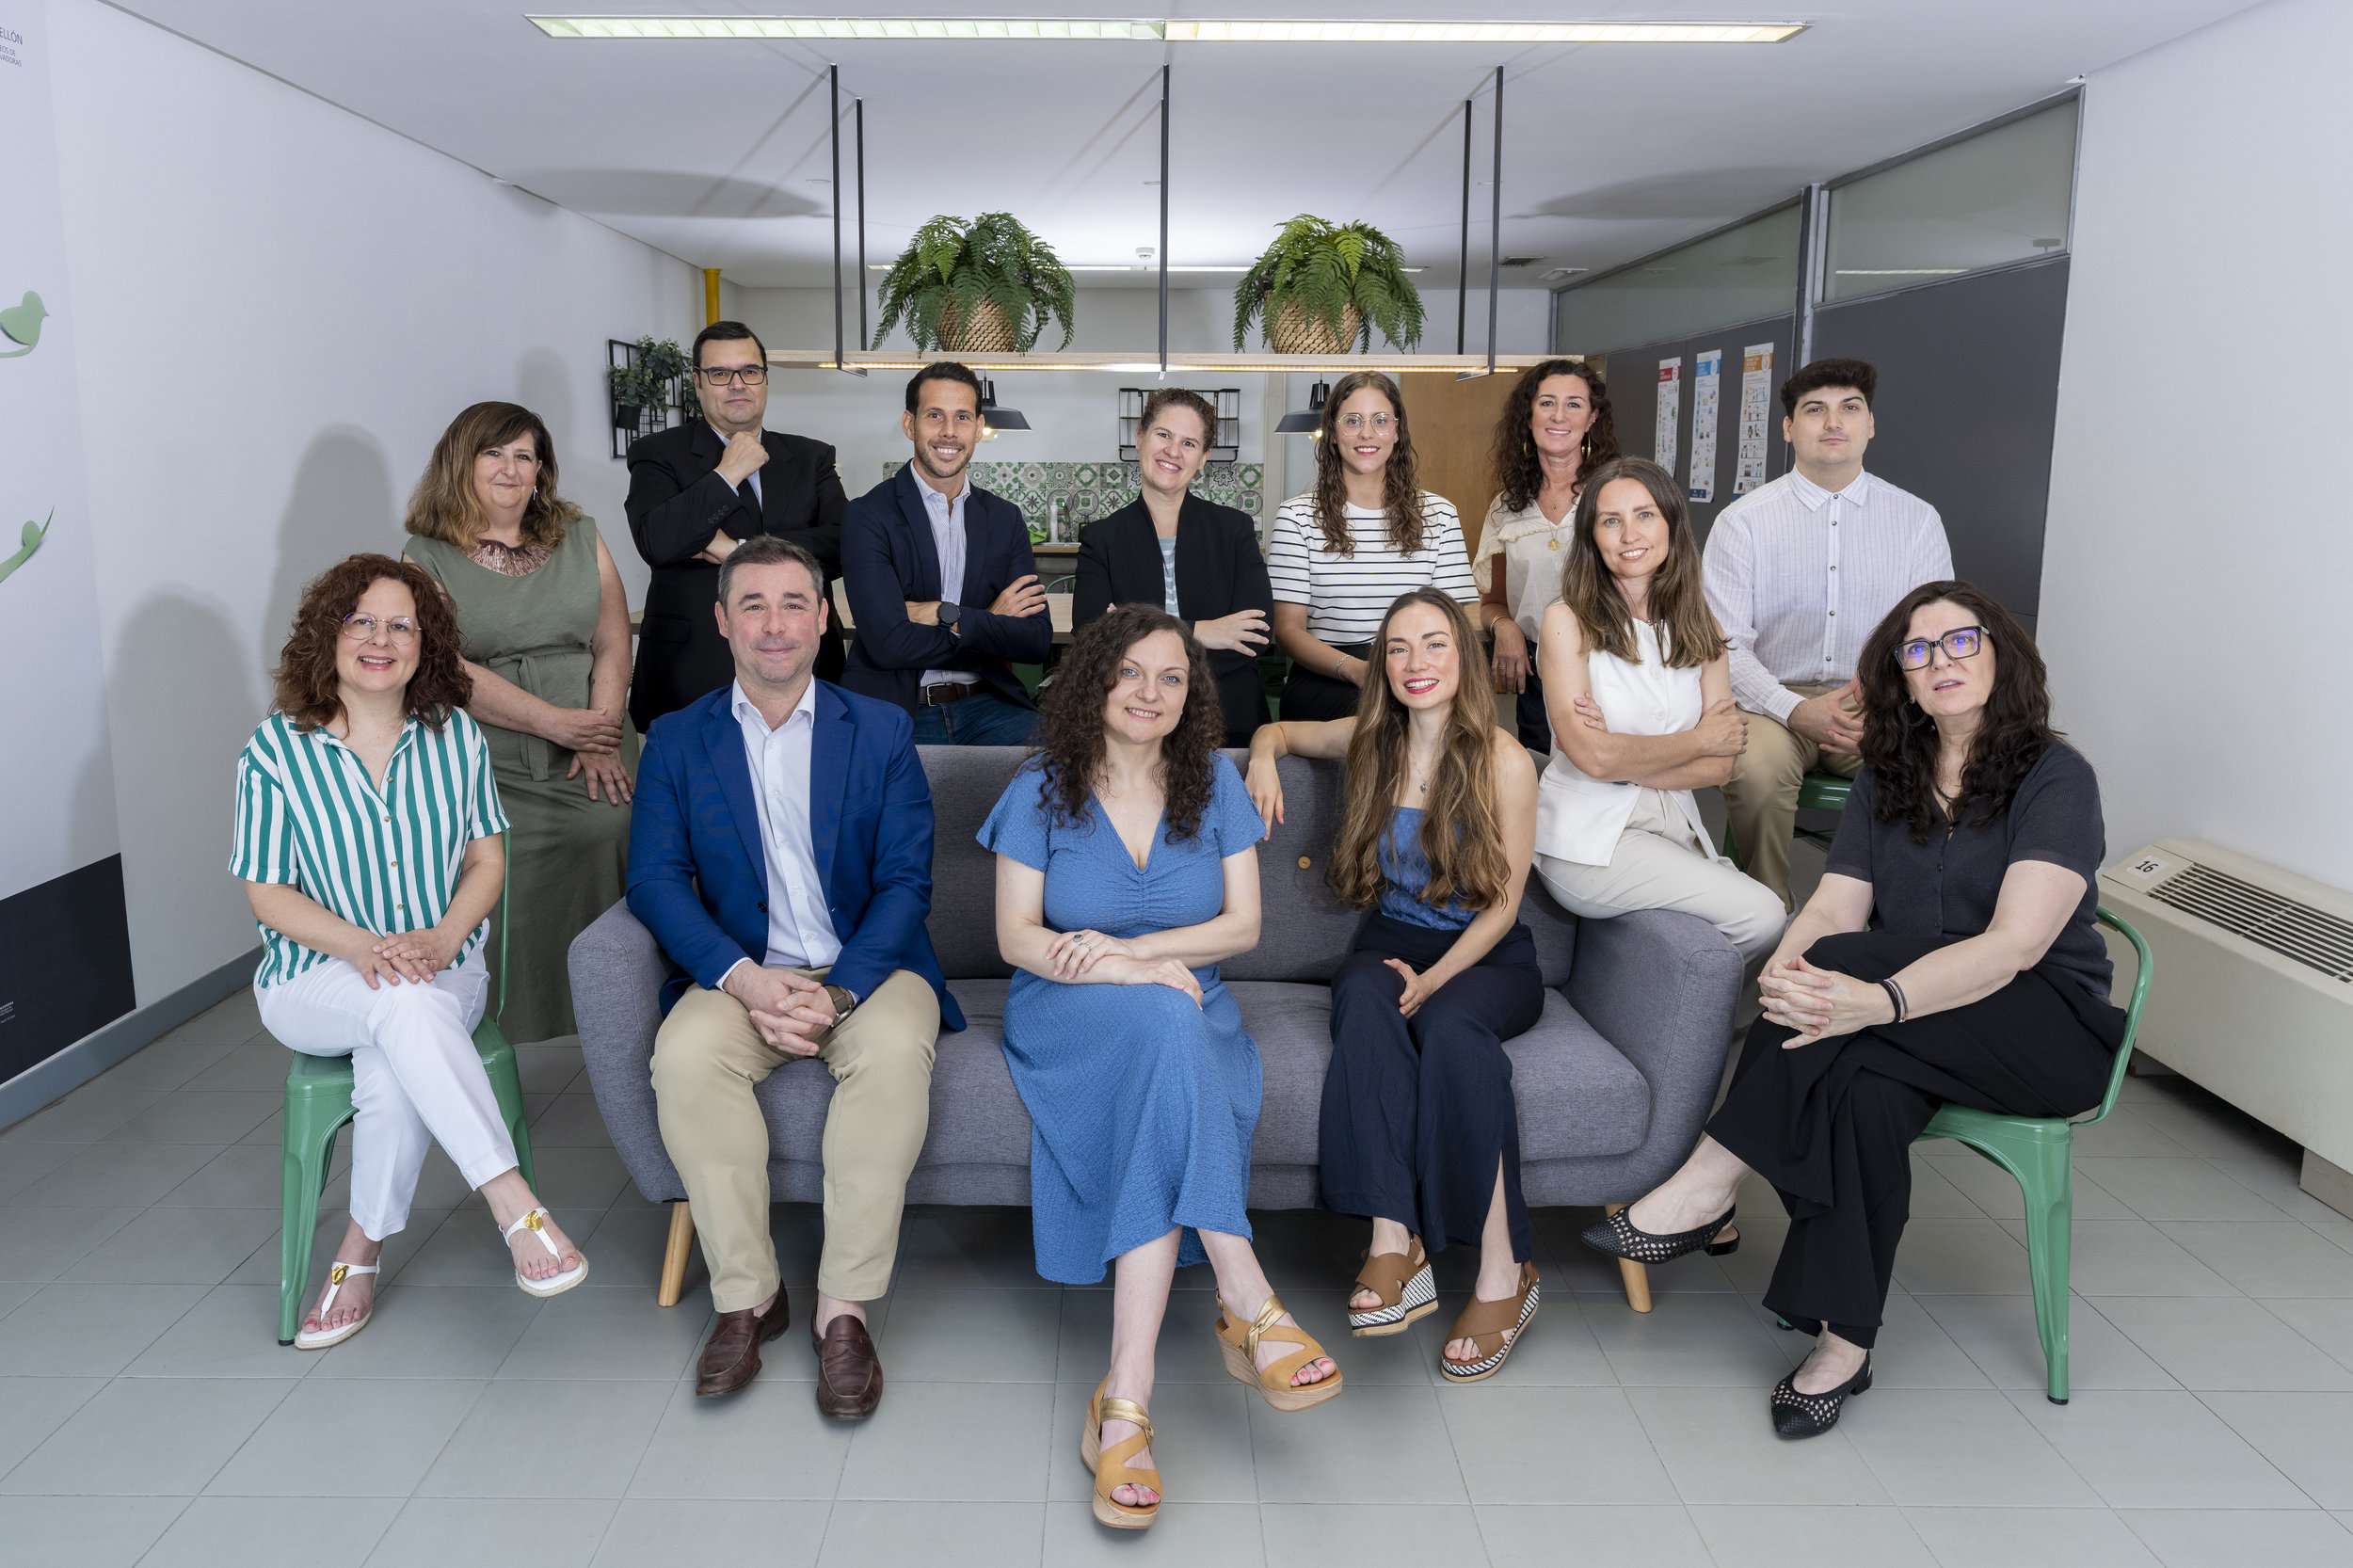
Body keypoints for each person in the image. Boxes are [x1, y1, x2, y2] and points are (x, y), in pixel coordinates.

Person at [1583, 582, 2125, 1437]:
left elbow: (2015, 947)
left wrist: (1875, 999)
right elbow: (1836, 907)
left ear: (2002, 655)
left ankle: (1710, 1179)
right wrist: (1784, 972)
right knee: (1860, 1087)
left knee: (1840, 978)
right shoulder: (1889, 776)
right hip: (1920, 1028)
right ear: (1898, 678)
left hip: (2043, 1027)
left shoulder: (2057, 778)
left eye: (1961, 641)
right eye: (1917, 650)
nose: (1940, 661)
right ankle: (1843, 1344)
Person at [983, 604, 1340, 1529]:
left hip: (1185, 1005)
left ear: (1192, 694)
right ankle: (1245, 1294)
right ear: (1096, 679)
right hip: (1068, 1005)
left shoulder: (1212, 783)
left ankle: (1124, 1398)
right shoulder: (1041, 785)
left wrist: (1143, 955)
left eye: (1172, 677)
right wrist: (1119, 968)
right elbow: (1016, 936)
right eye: (1132, 672)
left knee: (1169, 1026)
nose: (1150, 692)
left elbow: (1243, 927)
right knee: (1163, 1017)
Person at [629, 536, 956, 1414]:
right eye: (754, 605)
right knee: (684, 1056)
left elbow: (906, 882)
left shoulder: (880, 730)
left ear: (822, 619)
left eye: (793, 604)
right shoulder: (676, 739)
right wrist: (742, 979)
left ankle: (842, 1309)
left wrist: (839, 991)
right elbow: (654, 881)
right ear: (723, 621)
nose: (774, 625)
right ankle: (748, 1298)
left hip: (870, 971)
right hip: (743, 973)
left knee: (890, 1055)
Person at [234, 554, 588, 1352]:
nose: (380, 640)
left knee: (399, 1038)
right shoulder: (275, 751)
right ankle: (511, 1200)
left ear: (425, 645)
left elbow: (487, 860)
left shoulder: (454, 735)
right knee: (399, 1002)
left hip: (443, 964)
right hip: (314, 978)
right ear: (327, 634)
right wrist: (362, 947)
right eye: (360, 621)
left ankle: (359, 1252)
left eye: (401, 625)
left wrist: (446, 936)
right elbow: (268, 893)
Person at [1246, 588, 1545, 1382]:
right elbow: (1278, 729)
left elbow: (1505, 903)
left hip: (1487, 957)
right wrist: (1262, 758)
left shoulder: (1506, 761)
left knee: (1450, 1033)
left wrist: (1437, 979)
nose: (1417, 663)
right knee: (1361, 999)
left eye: (1436, 643)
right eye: (1400, 648)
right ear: (1382, 664)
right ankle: (1392, 1240)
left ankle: (1504, 1272)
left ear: (1464, 658)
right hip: (1391, 940)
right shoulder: (1368, 738)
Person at [402, 401, 636, 1044]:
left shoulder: (580, 534)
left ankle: (623, 1013)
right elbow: (446, 666)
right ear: (462, 463)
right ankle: (502, 1025)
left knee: (615, 831)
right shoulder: (426, 555)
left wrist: (599, 732)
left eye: (524, 456)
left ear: (541, 470)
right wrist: (557, 725)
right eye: (493, 453)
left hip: (596, 739)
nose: (510, 468)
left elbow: (613, 639)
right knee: (501, 875)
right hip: (496, 758)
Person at [1702, 357, 1953, 908]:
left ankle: (1889, 916)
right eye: (1815, 410)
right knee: (1755, 772)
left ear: (1871, 425)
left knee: (1927, 771)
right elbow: (1723, 645)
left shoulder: (1916, 521)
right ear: (1789, 428)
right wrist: (1794, 709)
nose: (1834, 422)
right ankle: (1766, 912)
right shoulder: (1742, 522)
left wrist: (1893, 713)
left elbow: (1933, 638)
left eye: (1850, 408)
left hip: (1879, 703)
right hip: (1769, 703)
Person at [1532, 456, 1785, 961]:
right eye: (1611, 521)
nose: (1630, 535)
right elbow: (1596, 758)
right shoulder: (1566, 622)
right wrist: (1699, 740)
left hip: (1676, 826)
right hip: (1591, 839)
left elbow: (1720, 767)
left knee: (1749, 925)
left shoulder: (1703, 627)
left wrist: (1617, 756)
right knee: (1764, 915)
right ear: (1592, 537)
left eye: (1645, 515)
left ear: (1670, 522)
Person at [624, 320, 849, 729]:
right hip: (693, 672)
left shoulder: (812, 456)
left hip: (805, 671)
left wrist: (738, 549)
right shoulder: (656, 453)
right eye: (720, 373)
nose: (737, 384)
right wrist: (727, 474)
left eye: (749, 371)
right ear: (698, 382)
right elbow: (658, 541)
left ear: (765, 378)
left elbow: (842, 544)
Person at [840, 362, 1050, 744]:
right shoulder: (867, 515)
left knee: (1058, 762)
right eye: (935, 415)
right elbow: (887, 644)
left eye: (962, 417)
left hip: (989, 704)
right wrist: (988, 622)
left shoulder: (1004, 518)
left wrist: (943, 614)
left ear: (978, 428)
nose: (949, 431)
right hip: (899, 707)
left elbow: (1034, 640)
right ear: (910, 424)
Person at [1266, 371, 1478, 724]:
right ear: (1333, 432)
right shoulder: (1296, 517)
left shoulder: (1439, 514)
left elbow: (1455, 622)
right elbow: (1287, 631)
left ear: (1397, 431)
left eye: (1380, 420)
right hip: (1329, 678)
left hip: (1417, 674)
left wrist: (1409, 668)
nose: (1367, 433)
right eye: (1352, 421)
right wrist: (1356, 670)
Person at [1072, 388, 1273, 746]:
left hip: (1227, 708)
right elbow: (1091, 633)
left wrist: (1131, 630)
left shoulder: (1234, 529)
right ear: (1140, 437)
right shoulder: (1101, 537)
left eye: (1189, 443)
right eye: (1163, 435)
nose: (1173, 451)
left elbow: (1256, 634)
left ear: (1203, 457)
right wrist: (1203, 630)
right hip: (1135, 709)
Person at [1475, 359, 1619, 750]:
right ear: (1529, 415)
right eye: (1547, 403)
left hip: (1611, 664)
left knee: (1608, 774)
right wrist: (1504, 626)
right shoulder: (1506, 508)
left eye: (1574, 404)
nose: (1559, 415)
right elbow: (1493, 602)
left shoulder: (1615, 496)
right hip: (1537, 676)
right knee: (1542, 775)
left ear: (1592, 418)